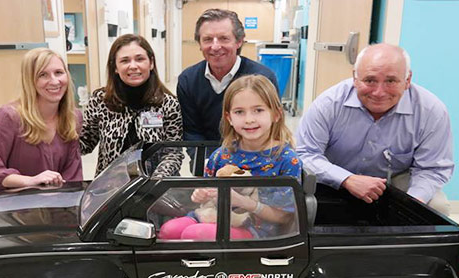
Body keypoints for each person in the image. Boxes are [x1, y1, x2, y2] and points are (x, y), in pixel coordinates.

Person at [295, 43, 453, 215]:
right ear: (355, 78)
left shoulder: (431, 111)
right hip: (334, 175)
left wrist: (411, 203)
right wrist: (347, 179)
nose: (379, 92)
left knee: (437, 207)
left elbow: (431, 168)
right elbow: (305, 154)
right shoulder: (328, 104)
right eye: (370, 80)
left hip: (396, 179)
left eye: (391, 81)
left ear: (407, 80)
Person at [160, 75, 302, 240]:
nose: (249, 119)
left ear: (276, 114)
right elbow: (206, 192)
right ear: (229, 118)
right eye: (239, 112)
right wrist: (200, 194)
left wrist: (243, 202)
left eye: (258, 110)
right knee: (168, 230)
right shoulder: (222, 155)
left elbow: (285, 217)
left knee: (194, 234)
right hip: (212, 215)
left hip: (257, 229)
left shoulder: (286, 159)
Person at [0, 48, 82, 199]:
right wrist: (31, 181)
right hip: (2, 205)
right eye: (43, 75)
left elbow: (72, 175)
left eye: (59, 72)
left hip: (45, 203)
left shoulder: (73, 117)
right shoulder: (6, 117)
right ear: (30, 81)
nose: (55, 81)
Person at [81, 34, 182, 176]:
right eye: (125, 61)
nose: (133, 66)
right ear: (115, 67)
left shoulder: (168, 103)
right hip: (111, 187)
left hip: (157, 186)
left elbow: (173, 152)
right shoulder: (100, 100)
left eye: (140, 59)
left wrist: (156, 181)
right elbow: (85, 144)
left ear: (151, 63)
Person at [177, 8, 279, 143]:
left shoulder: (263, 78)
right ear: (200, 44)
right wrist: (210, 162)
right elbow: (192, 132)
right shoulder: (188, 80)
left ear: (239, 41)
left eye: (223, 38)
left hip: (252, 156)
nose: (215, 46)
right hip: (206, 158)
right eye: (207, 39)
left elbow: (271, 129)